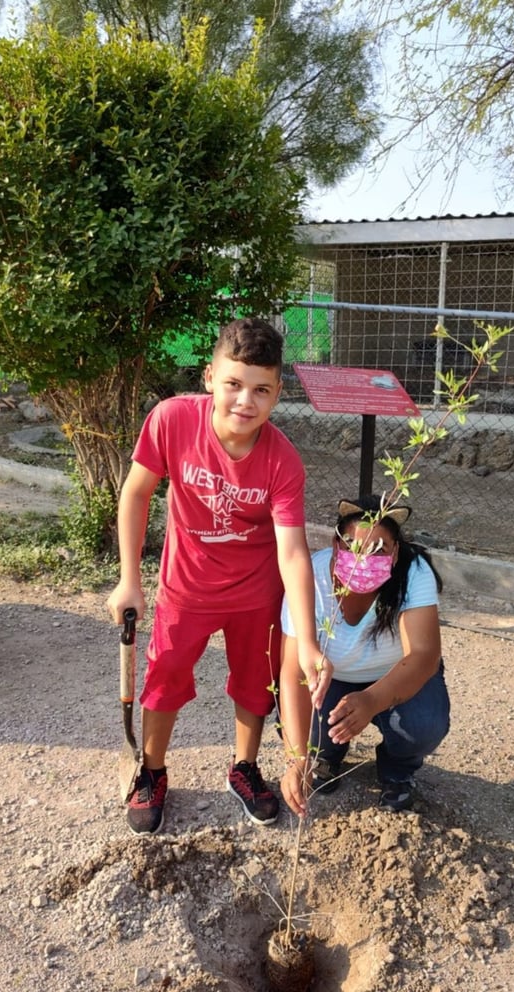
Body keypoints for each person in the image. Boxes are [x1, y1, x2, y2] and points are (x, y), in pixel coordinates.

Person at [106, 317, 329, 835]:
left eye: (260, 390)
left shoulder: (283, 462)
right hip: (186, 587)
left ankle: (244, 767)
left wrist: (310, 640)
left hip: (255, 593)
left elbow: (293, 553)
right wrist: (128, 579)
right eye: (233, 384)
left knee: (256, 683)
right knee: (165, 679)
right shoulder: (171, 420)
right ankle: (152, 770)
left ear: (278, 393)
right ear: (209, 377)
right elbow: (136, 493)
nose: (244, 402)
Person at [278, 494, 450, 817]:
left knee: (422, 725)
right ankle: (325, 758)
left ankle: (397, 770)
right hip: (333, 681)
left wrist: (371, 701)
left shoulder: (414, 574)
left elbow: (424, 656)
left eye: (378, 549)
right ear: (335, 544)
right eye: (353, 546)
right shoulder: (310, 578)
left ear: (395, 552)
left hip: (396, 680)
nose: (363, 559)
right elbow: (292, 672)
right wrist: (296, 758)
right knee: (312, 735)